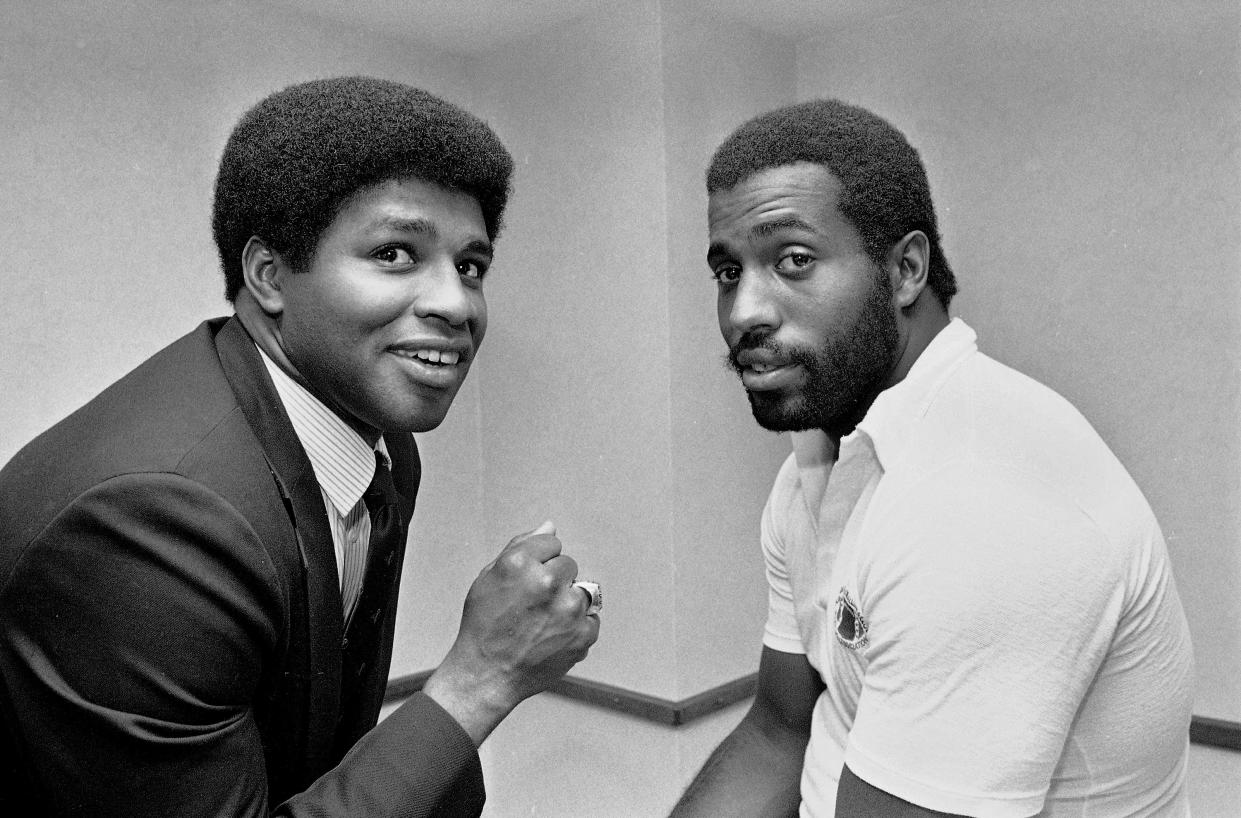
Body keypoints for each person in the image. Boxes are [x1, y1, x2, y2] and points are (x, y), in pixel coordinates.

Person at [0, 76, 601, 817]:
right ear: (269, 275)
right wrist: (483, 675)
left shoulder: (376, 441)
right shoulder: (152, 519)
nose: (456, 303)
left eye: (469, 266)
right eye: (394, 253)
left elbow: (315, 742)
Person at [672, 100, 1194, 817]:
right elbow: (777, 732)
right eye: (728, 272)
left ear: (905, 269)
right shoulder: (815, 471)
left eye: (792, 260)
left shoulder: (983, 503)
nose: (743, 312)